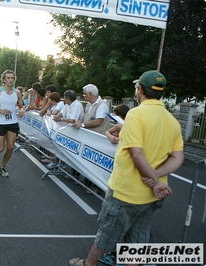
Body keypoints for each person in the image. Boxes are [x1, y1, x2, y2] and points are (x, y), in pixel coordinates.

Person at [68, 70, 184, 266]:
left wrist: (153, 179)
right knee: (137, 242)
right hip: (153, 195)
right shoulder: (172, 120)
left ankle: (87, 264)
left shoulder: (136, 114)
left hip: (126, 192)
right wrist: (156, 178)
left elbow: (136, 154)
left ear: (139, 89)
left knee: (106, 235)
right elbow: (177, 157)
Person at [0, 70, 24, 177]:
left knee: (11, 147)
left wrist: (22, 110)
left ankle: (2, 167)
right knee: (0, 148)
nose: (11, 80)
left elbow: (21, 105)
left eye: (12, 78)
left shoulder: (17, 92)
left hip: (13, 122)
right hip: (1, 122)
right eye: (8, 78)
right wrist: (1, 111)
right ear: (4, 80)